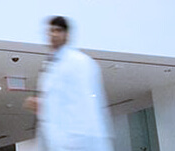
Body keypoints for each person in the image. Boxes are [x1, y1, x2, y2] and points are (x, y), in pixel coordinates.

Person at [24, 16, 114, 151]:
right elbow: (58, 102)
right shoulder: (50, 65)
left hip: (81, 141)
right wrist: (41, 104)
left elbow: (85, 105)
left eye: (58, 30)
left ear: (67, 34)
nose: (53, 34)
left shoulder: (80, 62)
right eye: (50, 31)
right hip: (57, 141)